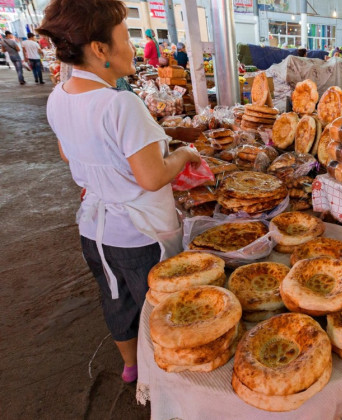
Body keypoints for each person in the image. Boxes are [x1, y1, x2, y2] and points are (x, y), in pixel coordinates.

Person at [37, 0, 201, 383]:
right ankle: (163, 377)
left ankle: (131, 366)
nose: (134, 47)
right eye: (126, 37)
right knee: (160, 307)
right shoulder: (120, 103)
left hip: (93, 229)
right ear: (99, 49)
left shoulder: (59, 96)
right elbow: (152, 177)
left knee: (115, 297)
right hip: (138, 234)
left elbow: (68, 154)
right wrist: (184, 155)